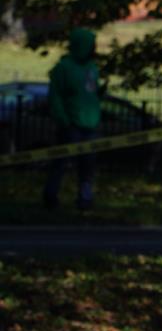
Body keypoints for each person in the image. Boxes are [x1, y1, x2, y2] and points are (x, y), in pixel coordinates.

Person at [43, 28, 102, 211]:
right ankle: (51, 196)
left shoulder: (92, 68)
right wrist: (64, 121)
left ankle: (85, 199)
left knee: (88, 165)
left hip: (90, 124)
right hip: (71, 125)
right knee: (61, 163)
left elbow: (91, 93)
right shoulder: (63, 68)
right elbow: (55, 97)